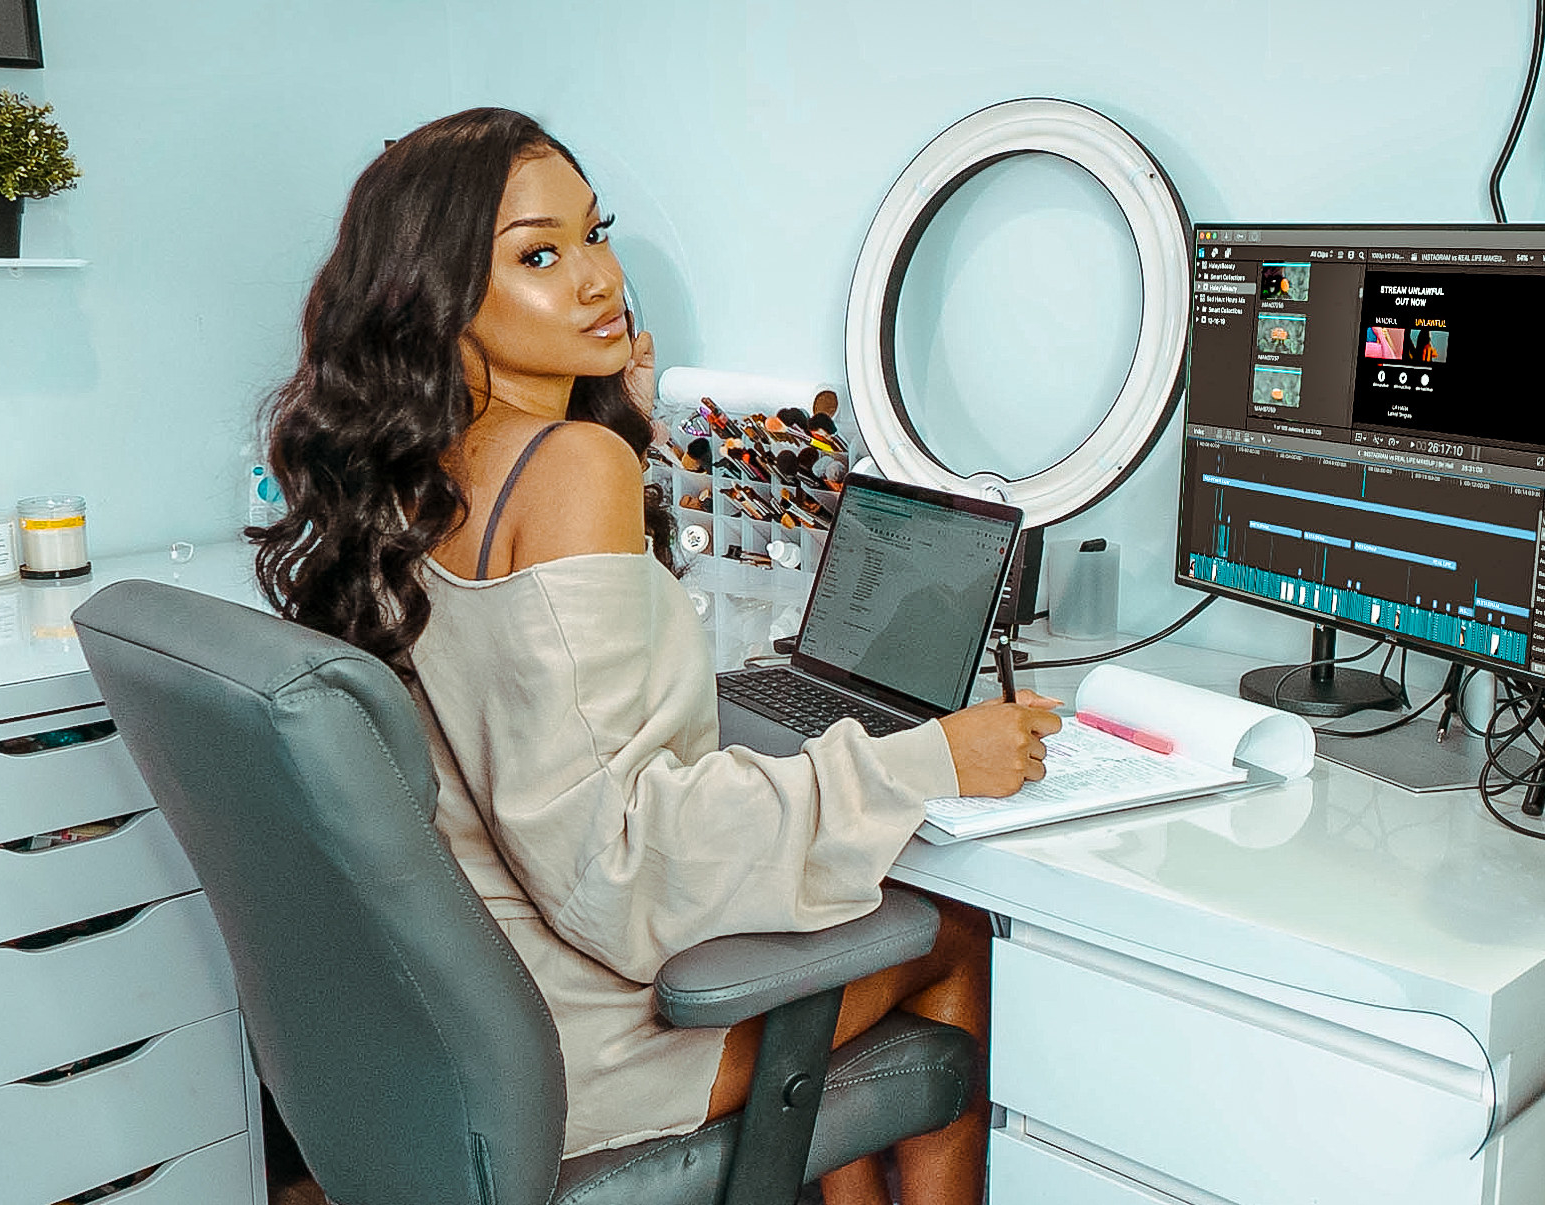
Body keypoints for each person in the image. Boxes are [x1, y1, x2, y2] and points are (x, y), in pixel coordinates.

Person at [250, 107, 1061, 1205]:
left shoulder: (403, 470)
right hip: (584, 1038)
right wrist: (931, 761)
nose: (596, 281)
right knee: (952, 930)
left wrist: (617, 430)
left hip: (456, 1022)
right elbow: (618, 867)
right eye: (537, 255)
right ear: (437, 297)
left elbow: (543, 718)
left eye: (595, 233)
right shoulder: (567, 466)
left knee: (861, 940)